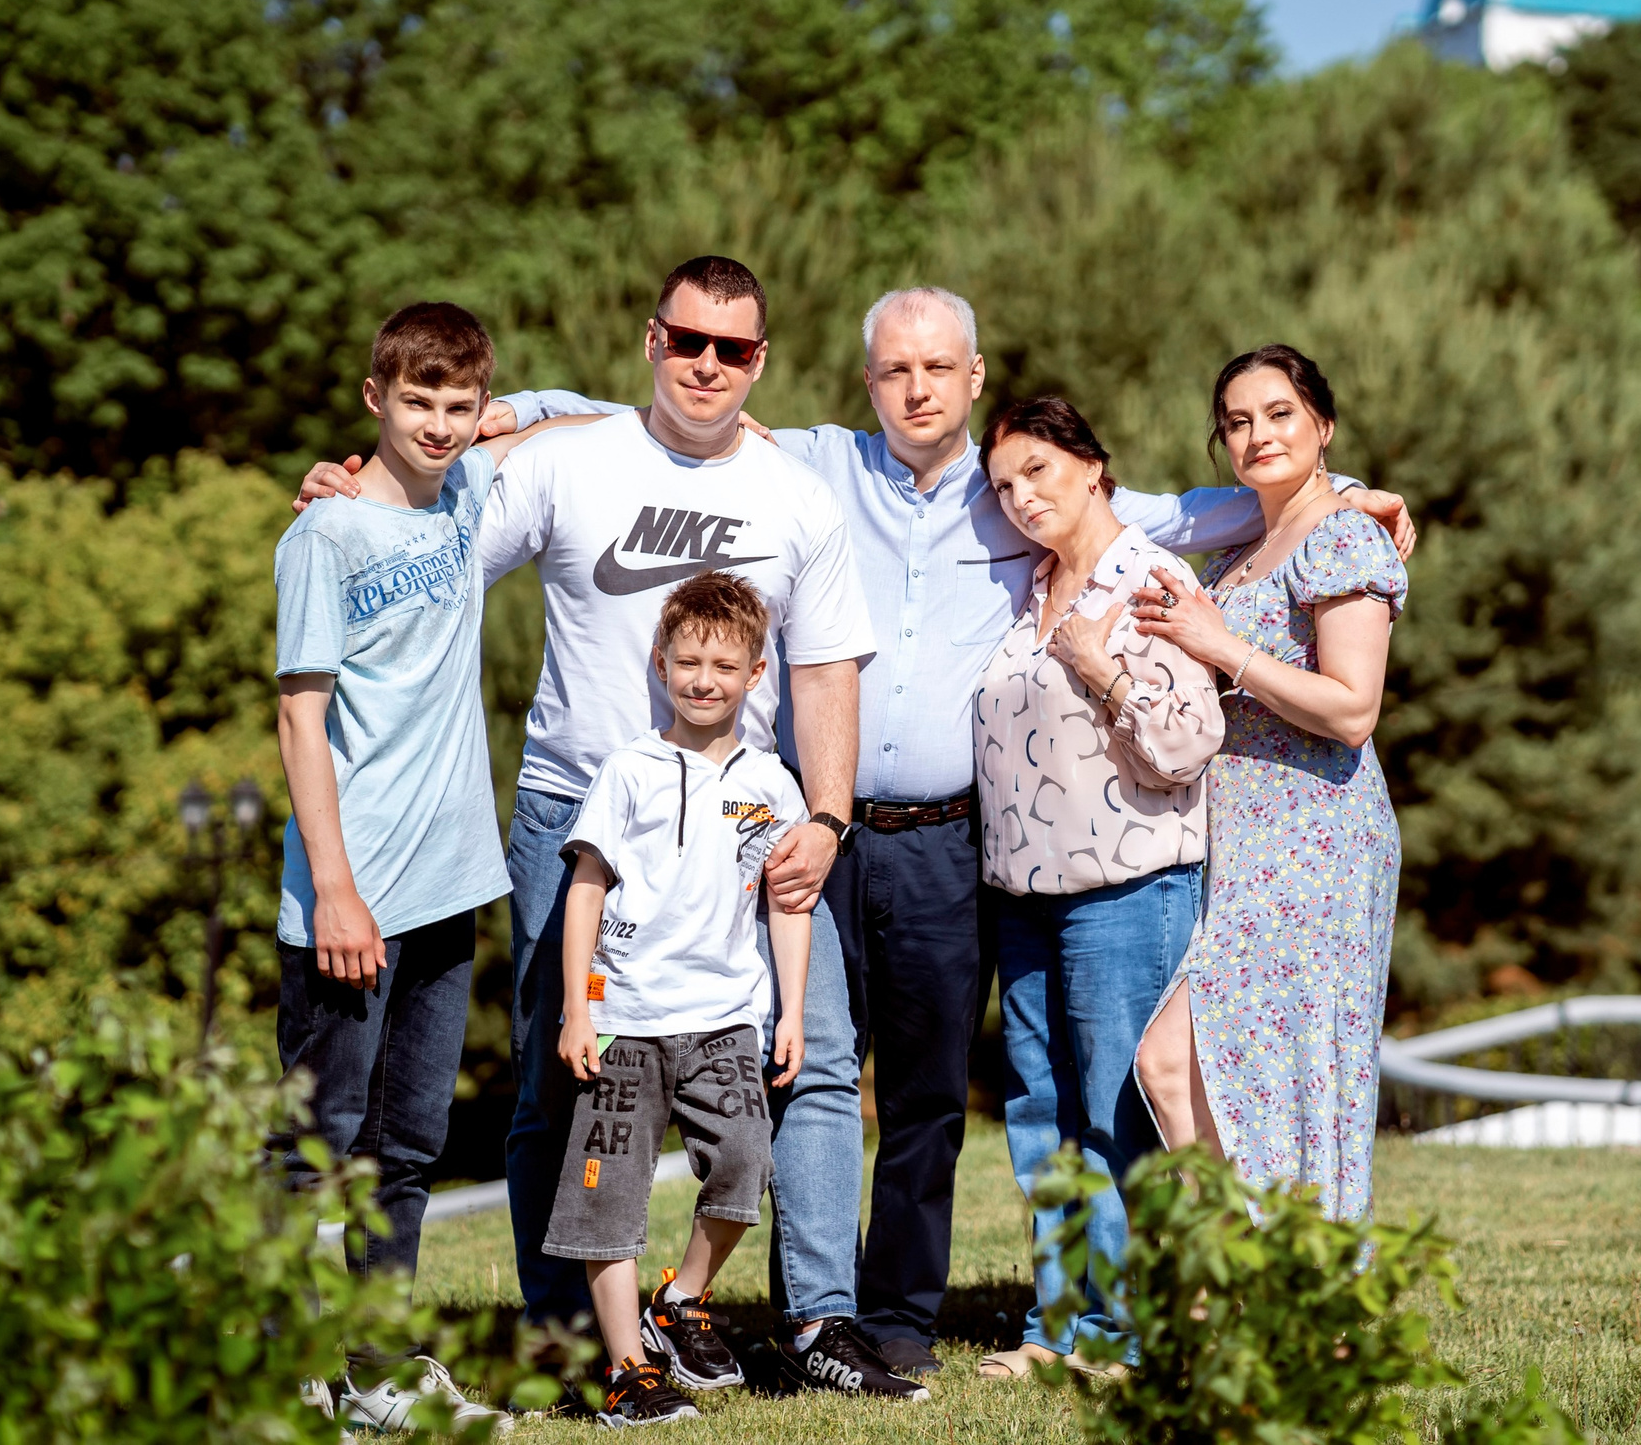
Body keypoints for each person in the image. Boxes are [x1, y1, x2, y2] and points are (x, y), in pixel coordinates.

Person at [473, 287, 1415, 1371]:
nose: (915, 389)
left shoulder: (1038, 499)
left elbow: (1227, 501)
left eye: (937, 369)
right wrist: (525, 406)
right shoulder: (821, 464)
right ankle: (822, 1314)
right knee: (838, 1075)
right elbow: (680, 409)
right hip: (830, 830)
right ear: (866, 381)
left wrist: (1344, 492)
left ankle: (926, 1323)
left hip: (962, 845)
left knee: (945, 1096)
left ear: (974, 379)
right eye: (892, 371)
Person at [297, 256, 914, 1399]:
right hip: (572, 823)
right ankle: (568, 1334)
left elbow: (829, 668)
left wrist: (824, 817)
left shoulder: (794, 496)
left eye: (733, 350)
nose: (709, 366)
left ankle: (817, 1321)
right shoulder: (568, 465)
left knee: (812, 1059)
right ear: (651, 341)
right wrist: (354, 496)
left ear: (761, 360)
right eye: (689, 341)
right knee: (555, 1083)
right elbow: (426, 552)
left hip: (746, 824)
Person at [274, 302, 540, 1428]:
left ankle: (380, 1369)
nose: (437, 425)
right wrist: (334, 889)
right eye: (417, 402)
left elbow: (587, 410)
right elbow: (300, 716)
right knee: (312, 1146)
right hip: (353, 895)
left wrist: (508, 419)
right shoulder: (323, 538)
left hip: (450, 885)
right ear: (373, 400)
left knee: (408, 1149)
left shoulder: (467, 497)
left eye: (458, 405)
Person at [969, 397, 1224, 1379]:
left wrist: (1102, 671)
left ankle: (1128, 1333)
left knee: (1119, 1113)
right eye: (1003, 484)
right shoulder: (1021, 589)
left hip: (1130, 885)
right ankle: (1061, 1325)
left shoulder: (1153, 578)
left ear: (1093, 467)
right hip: (1023, 894)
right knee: (1042, 1114)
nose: (1021, 495)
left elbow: (1189, 743)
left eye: (1037, 470)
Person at [1129, 344, 1407, 1224]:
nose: (1257, 435)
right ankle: (1254, 1282)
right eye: (1238, 422)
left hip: (1317, 836)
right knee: (1193, 1064)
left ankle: (1297, 1285)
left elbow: (1353, 708)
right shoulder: (1248, 544)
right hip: (1240, 843)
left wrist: (1223, 651)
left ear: (1322, 425)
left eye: (1279, 413)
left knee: (1255, 1068)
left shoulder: (1343, 535)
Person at [545, 573, 828, 1424]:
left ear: (755, 673)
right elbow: (586, 888)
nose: (704, 679)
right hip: (626, 1019)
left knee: (746, 1159)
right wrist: (576, 1006)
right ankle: (628, 1369)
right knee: (609, 1197)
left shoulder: (775, 783)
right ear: (660, 663)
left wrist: (793, 1011)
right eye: (688, 661)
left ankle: (682, 1298)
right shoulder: (629, 769)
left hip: (725, 1019)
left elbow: (788, 901)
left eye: (724, 664)